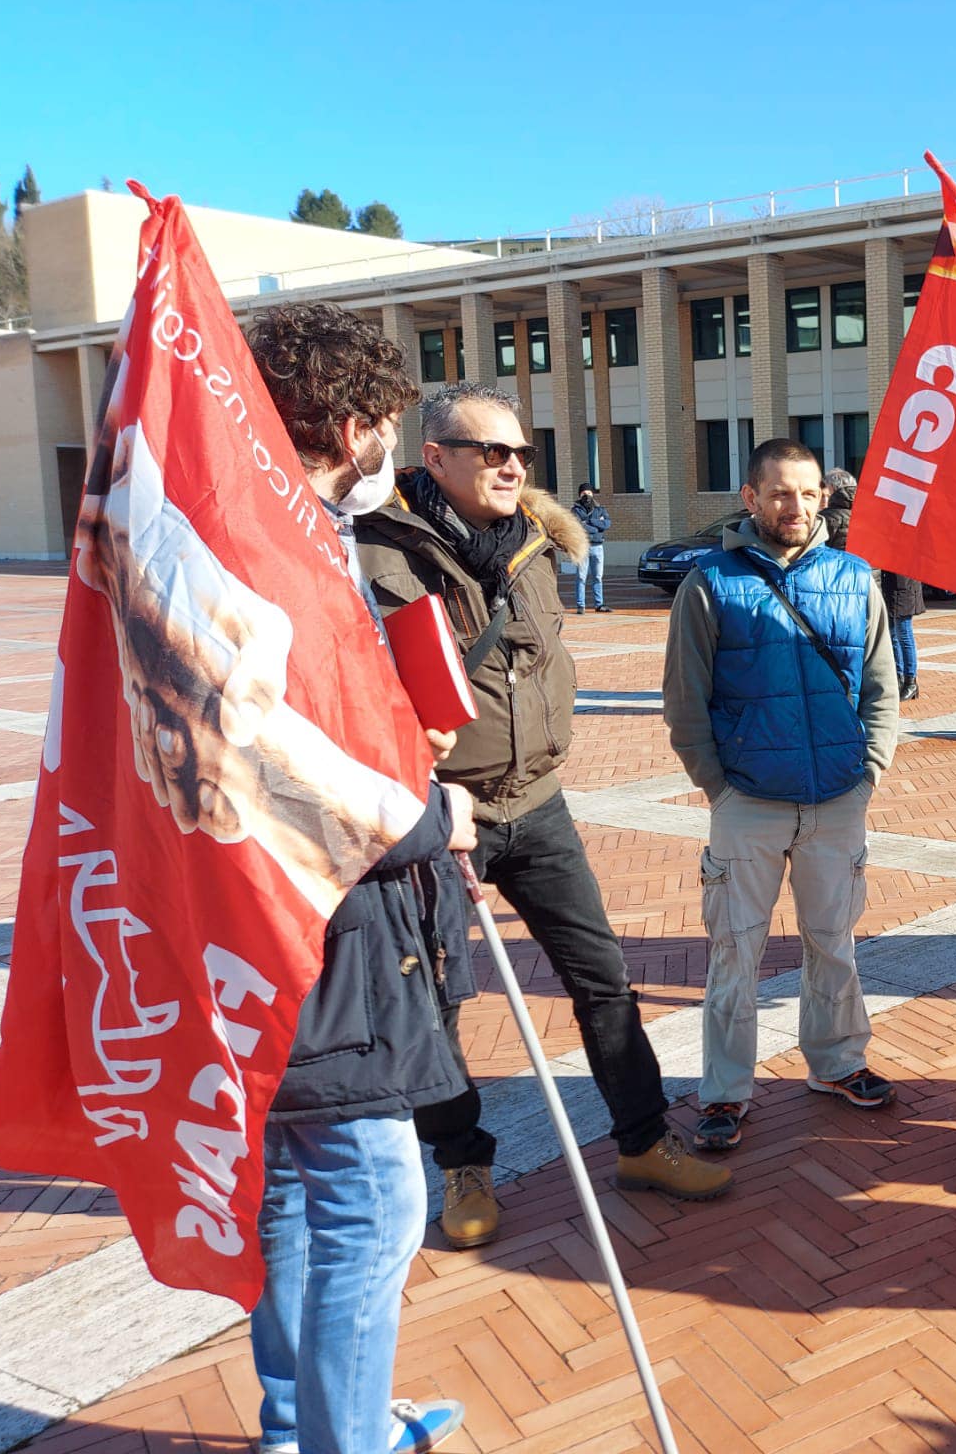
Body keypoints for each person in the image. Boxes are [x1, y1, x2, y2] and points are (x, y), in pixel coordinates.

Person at [358, 382, 731, 1244]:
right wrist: (419, 794)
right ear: (435, 458)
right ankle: (463, 1166)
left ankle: (643, 1140)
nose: (513, 466)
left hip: (537, 802)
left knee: (601, 977)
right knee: (436, 1001)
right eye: (492, 451)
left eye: (521, 452)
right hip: (443, 813)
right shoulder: (373, 551)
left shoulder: (533, 541)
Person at [244, 301, 475, 1452]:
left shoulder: (256, 532)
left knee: (293, 1191)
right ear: (353, 427)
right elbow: (288, 768)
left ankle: (301, 1424)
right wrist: (430, 810)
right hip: (324, 942)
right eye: (385, 420)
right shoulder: (281, 555)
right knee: (374, 1204)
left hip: (271, 936)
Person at [663, 439, 901, 1153]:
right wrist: (718, 787)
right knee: (735, 950)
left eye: (807, 492)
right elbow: (685, 700)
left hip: (837, 798)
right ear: (751, 498)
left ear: (823, 496)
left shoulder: (855, 577)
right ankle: (725, 1090)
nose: (795, 505)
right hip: (748, 802)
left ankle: (836, 1062)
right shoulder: (709, 583)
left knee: (834, 942)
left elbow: (882, 687)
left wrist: (868, 773)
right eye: (779, 492)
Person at [880, 566, 926, 703]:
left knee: (904, 633)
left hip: (905, 587)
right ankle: (899, 678)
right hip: (890, 587)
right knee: (892, 634)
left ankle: (911, 682)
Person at [572, 482, 612, 613]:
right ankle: (580, 605)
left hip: (598, 547)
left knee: (598, 577)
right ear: (579, 495)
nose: (587, 495)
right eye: (584, 493)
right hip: (583, 547)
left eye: (589, 493)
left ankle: (599, 604)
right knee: (581, 577)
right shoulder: (575, 510)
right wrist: (596, 528)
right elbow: (578, 526)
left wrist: (590, 522)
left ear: (593, 494)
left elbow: (607, 524)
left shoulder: (600, 509)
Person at [821, 465, 857, 550]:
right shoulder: (868, 513)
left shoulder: (824, 518)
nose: (824, 500)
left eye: (827, 495)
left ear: (833, 489)